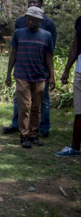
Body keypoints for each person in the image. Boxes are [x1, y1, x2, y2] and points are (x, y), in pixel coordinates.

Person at [2, 0, 57, 137]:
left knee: (41, 102)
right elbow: (15, 50)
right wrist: (9, 72)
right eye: (30, 2)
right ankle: (18, 126)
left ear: (41, 5)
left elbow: (49, 52)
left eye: (35, 2)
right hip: (22, 71)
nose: (32, 4)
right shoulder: (20, 23)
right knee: (21, 102)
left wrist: (50, 74)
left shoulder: (49, 26)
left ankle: (42, 128)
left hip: (39, 71)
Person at [55, 15, 81, 157]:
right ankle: (75, 147)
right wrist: (66, 71)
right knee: (79, 111)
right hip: (80, 73)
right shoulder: (80, 21)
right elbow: (75, 47)